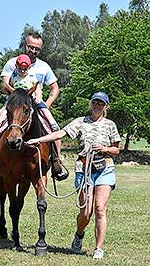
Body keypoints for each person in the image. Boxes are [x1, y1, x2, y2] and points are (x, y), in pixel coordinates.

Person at [27, 91, 121, 260]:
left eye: (101, 103)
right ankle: (79, 234)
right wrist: (39, 140)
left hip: (104, 169)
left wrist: (105, 149)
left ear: (105, 107)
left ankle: (98, 248)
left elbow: (116, 149)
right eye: (95, 102)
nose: (97, 106)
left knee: (100, 209)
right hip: (83, 169)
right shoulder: (80, 122)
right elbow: (60, 133)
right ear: (91, 104)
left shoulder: (110, 125)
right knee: (86, 212)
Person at [0, 31, 67, 180]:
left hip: (36, 105)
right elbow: (3, 85)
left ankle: (56, 162)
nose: (33, 51)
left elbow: (55, 88)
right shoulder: (12, 63)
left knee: (54, 128)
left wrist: (46, 105)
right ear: (25, 45)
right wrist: (13, 92)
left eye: (37, 48)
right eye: (31, 47)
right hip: (14, 106)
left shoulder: (44, 67)